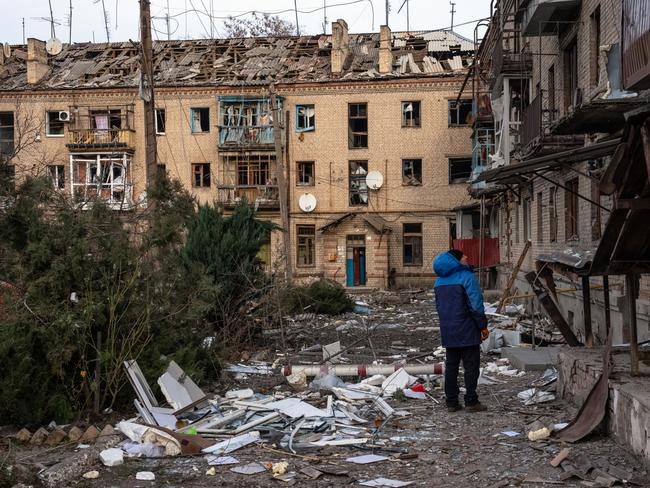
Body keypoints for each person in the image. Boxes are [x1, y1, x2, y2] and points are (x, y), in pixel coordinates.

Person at [433, 249, 489, 412]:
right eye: (463, 255)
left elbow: (439, 308)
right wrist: (482, 326)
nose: (466, 257)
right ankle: (471, 401)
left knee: (451, 366)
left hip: (448, 330)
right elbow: (476, 305)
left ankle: (451, 402)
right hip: (467, 329)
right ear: (455, 260)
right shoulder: (467, 277)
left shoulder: (438, 282)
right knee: (471, 366)